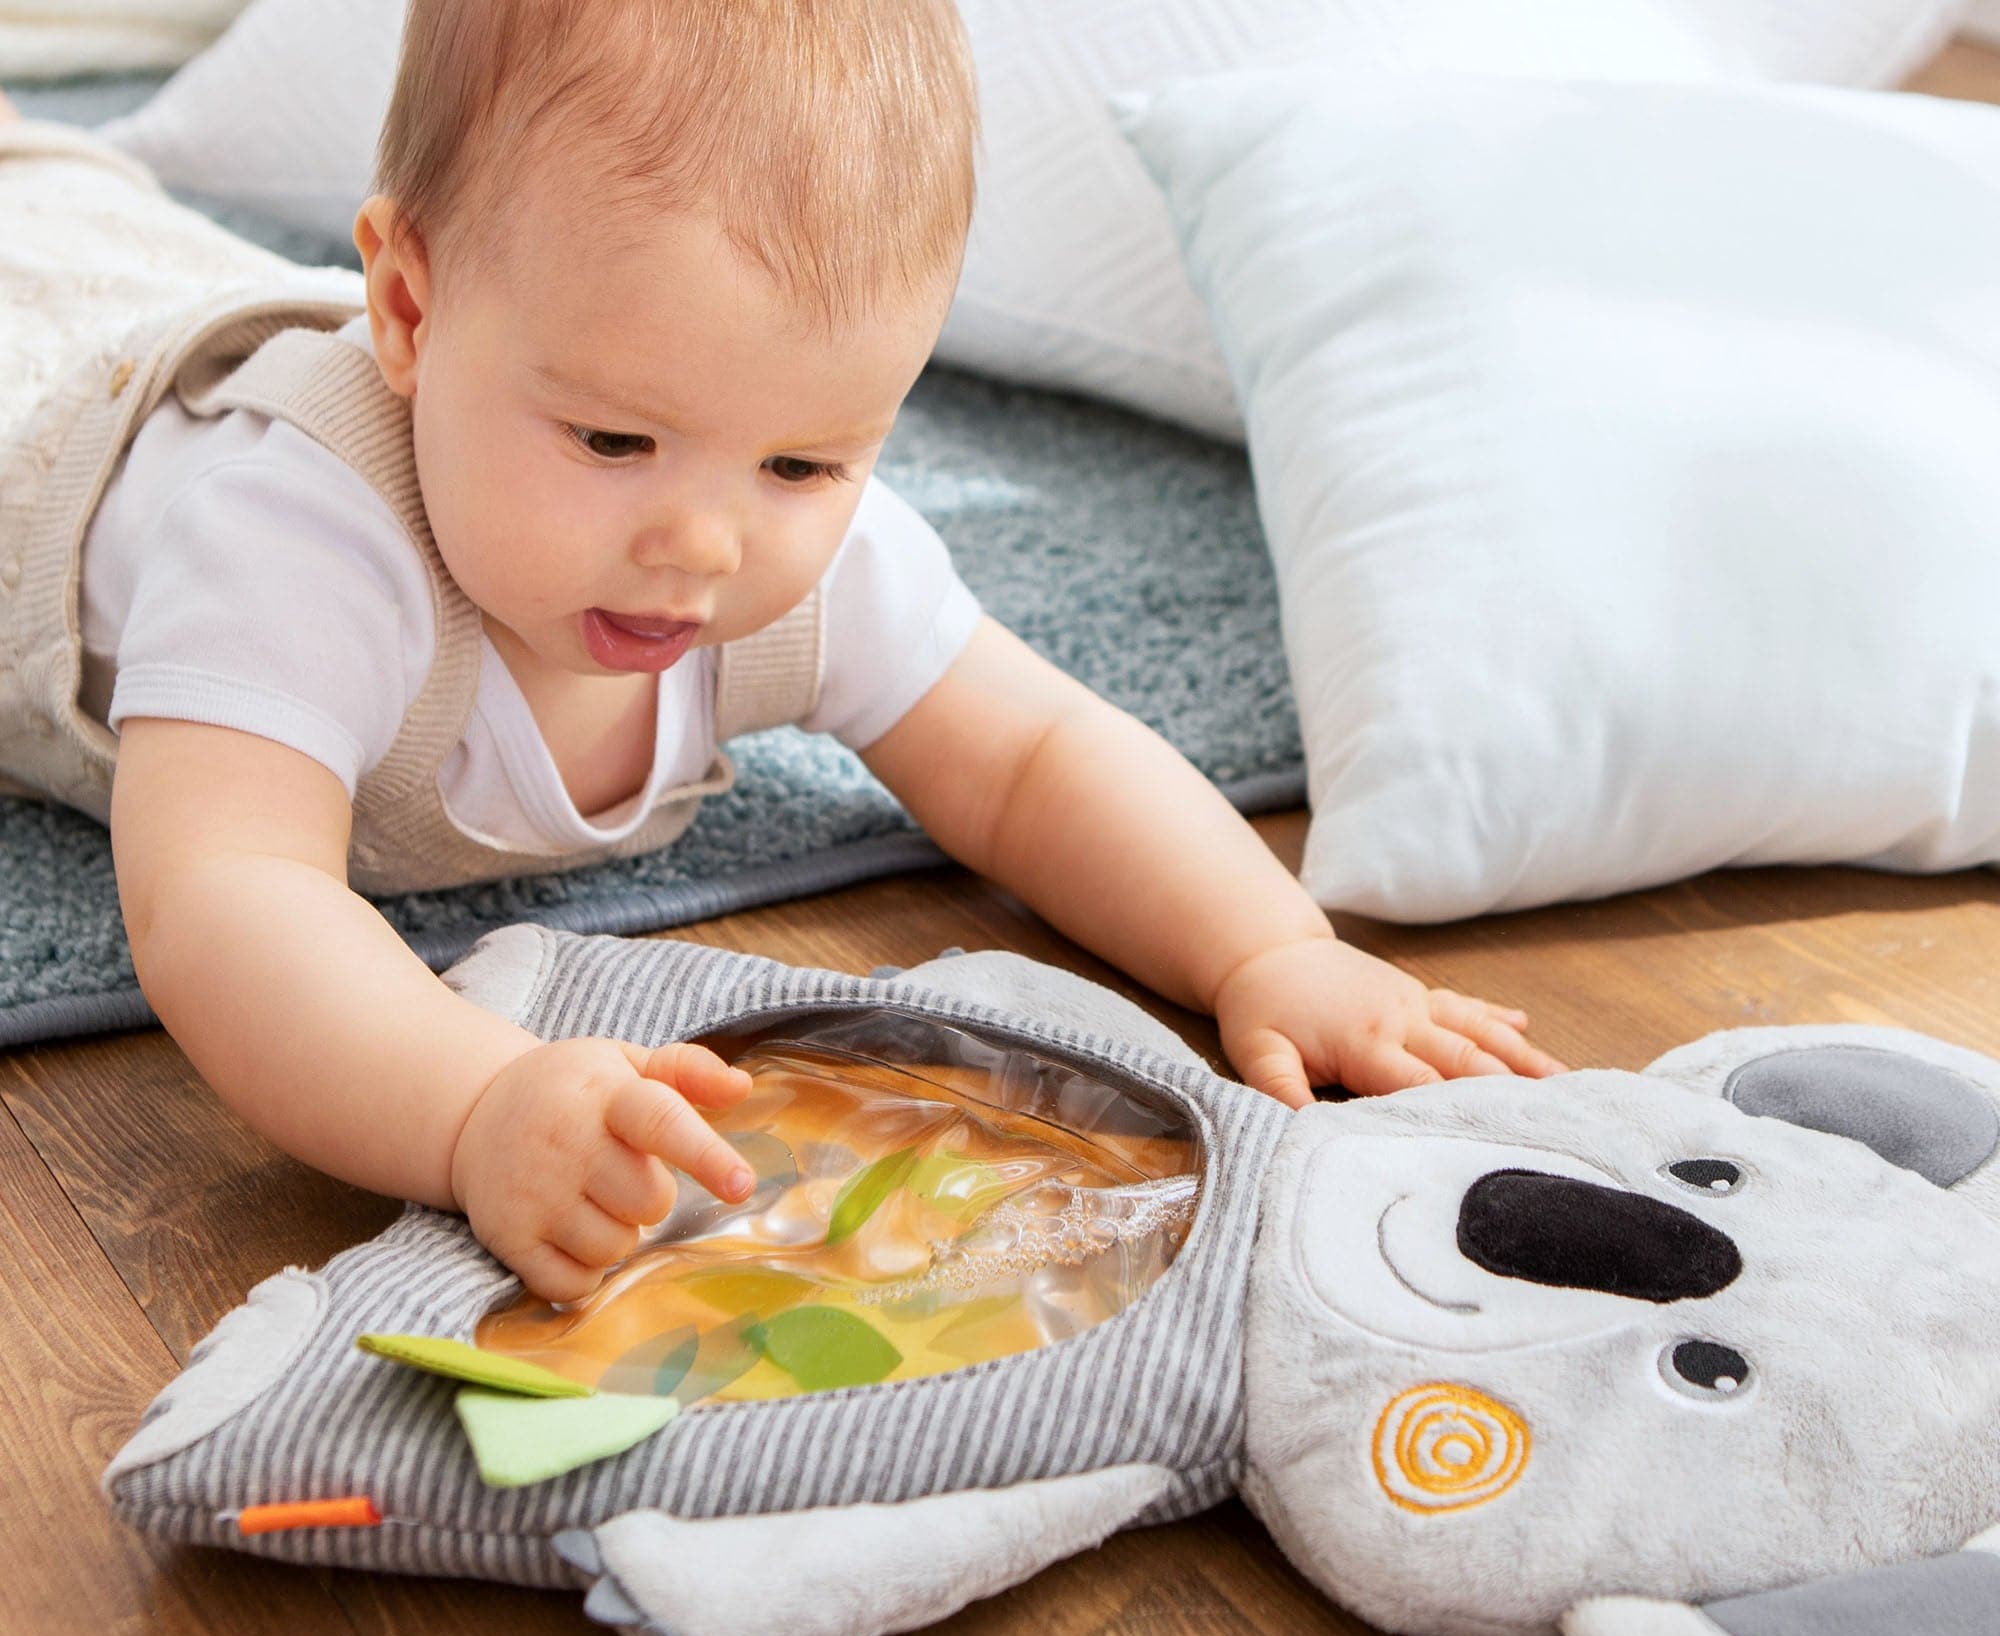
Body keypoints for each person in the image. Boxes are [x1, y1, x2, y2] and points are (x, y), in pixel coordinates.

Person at [0, 1, 1559, 1304]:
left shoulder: (792, 543)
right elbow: (224, 894)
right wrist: (470, 1104)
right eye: (614, 440)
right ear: (408, 311)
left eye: (806, 463)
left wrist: (1268, 950)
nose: (703, 545)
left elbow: (1031, 757)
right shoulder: (293, 541)